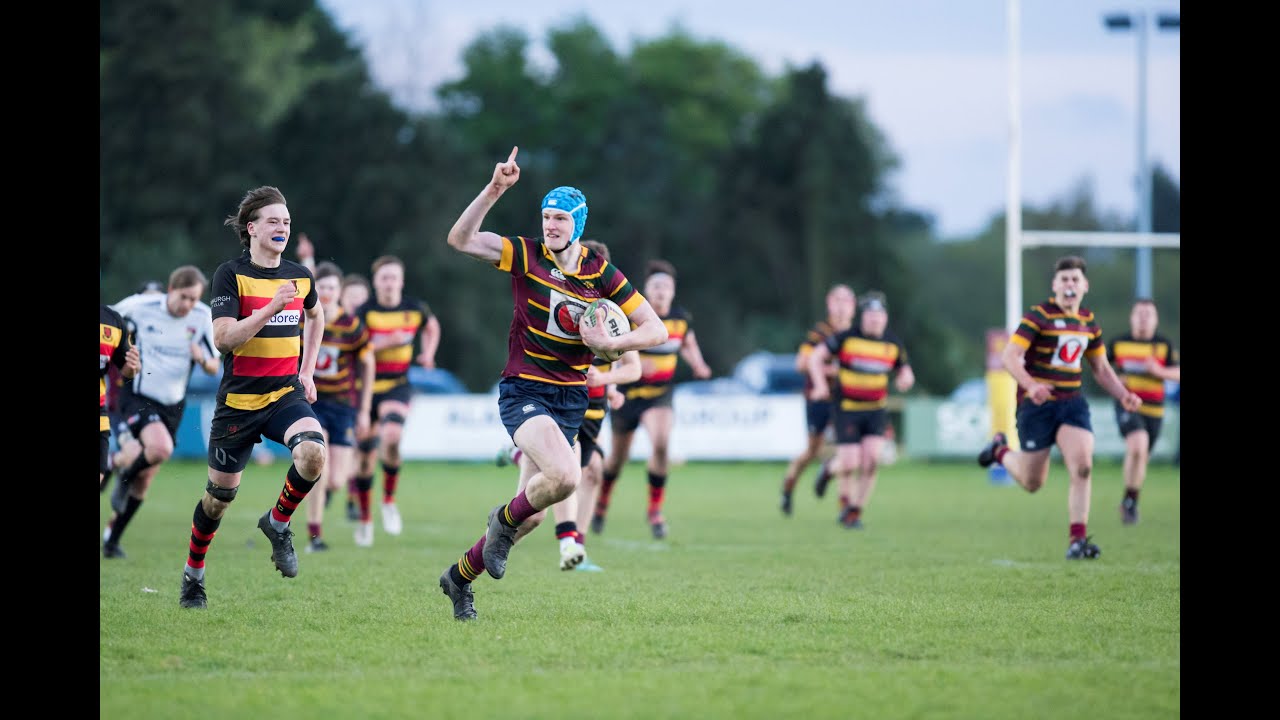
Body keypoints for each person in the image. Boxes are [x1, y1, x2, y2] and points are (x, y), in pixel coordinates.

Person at [437, 146, 668, 620]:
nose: (550, 225)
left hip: (570, 399)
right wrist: (495, 189)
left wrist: (612, 342)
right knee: (566, 477)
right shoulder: (526, 255)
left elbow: (656, 329)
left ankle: (458, 578)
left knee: (535, 515)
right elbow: (460, 240)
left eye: (560, 218)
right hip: (524, 389)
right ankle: (500, 522)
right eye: (546, 216)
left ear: (577, 224)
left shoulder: (600, 273)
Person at [177, 185, 327, 609]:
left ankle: (277, 523)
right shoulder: (230, 274)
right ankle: (193, 575)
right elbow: (224, 339)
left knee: (313, 454)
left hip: (284, 394)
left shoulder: (300, 275)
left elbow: (317, 316)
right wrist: (269, 308)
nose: (283, 228)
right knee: (218, 500)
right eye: (273, 221)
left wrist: (307, 370)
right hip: (238, 405)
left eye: (287, 222)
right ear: (252, 228)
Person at [977, 255, 1142, 560]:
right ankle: (999, 450)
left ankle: (1077, 541)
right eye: (1064, 279)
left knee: (1083, 465)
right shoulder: (1038, 316)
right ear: (1055, 285)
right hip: (1036, 406)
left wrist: (1123, 394)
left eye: (1075, 280)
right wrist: (1031, 386)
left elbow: (1101, 368)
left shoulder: (1089, 322)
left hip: (1071, 404)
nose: (1069, 285)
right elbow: (1010, 356)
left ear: (1085, 286)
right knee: (1032, 482)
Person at [500, 239, 643, 572]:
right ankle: (569, 544)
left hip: (592, 408)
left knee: (591, 473)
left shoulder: (617, 316)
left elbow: (633, 368)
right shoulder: (563, 306)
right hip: (558, 405)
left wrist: (607, 382)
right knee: (568, 474)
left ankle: (571, 539)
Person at [101, 265, 219, 559]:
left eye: (194, 299)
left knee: (145, 478)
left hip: (173, 405)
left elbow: (214, 366)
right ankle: (123, 478)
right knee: (160, 448)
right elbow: (109, 317)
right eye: (184, 297)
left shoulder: (202, 316)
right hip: (138, 395)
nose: (188, 304)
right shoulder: (141, 306)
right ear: (171, 289)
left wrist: (202, 360)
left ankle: (112, 540)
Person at [591, 259, 712, 540]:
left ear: (673, 291)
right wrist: (617, 380)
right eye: (656, 286)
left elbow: (687, 344)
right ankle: (601, 503)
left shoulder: (681, 319)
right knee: (617, 460)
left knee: (661, 444)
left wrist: (698, 364)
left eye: (666, 286)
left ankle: (655, 511)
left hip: (659, 395)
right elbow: (615, 351)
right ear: (646, 289)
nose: (661, 291)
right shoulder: (633, 317)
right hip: (628, 394)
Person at [806, 291, 914, 529]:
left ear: (885, 318)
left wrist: (906, 378)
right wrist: (821, 385)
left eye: (879, 315)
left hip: (876, 410)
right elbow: (815, 358)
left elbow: (905, 369)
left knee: (871, 460)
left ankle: (854, 511)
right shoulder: (846, 338)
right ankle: (829, 469)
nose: (875, 320)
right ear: (862, 317)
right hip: (847, 408)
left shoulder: (892, 343)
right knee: (850, 463)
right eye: (871, 315)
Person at [352, 255, 440, 538]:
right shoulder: (364, 312)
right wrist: (384, 343)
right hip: (365, 388)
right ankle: (365, 518)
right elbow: (353, 349)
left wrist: (428, 354)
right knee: (364, 458)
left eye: (394, 277)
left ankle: (389, 501)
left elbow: (432, 327)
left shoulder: (414, 309)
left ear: (401, 281)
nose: (389, 283)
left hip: (396, 385)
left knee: (392, 436)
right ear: (375, 282)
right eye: (384, 278)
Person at [300, 261, 375, 551]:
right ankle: (314, 535)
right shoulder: (301, 320)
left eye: (332, 287)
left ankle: (326, 493)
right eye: (322, 287)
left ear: (340, 291)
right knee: (318, 465)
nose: (327, 293)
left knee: (337, 480)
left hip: (343, 406)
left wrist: (364, 410)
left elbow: (368, 364)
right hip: (312, 403)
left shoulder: (352, 326)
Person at [779, 283, 856, 515]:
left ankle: (845, 507)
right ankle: (789, 485)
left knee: (847, 450)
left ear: (853, 306)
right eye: (837, 300)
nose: (841, 306)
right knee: (813, 450)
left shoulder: (858, 334)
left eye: (846, 301)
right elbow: (801, 364)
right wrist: (833, 371)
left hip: (849, 400)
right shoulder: (820, 333)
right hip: (819, 397)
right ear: (829, 304)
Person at [1106, 298, 1180, 525]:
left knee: (1141, 457)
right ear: (1132, 317)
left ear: (1156, 319)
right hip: (1128, 404)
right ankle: (1130, 503)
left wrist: (1159, 371)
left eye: (1149, 314)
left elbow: (1177, 373)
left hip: (1154, 409)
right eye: (1140, 313)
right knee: (1138, 444)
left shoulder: (1164, 345)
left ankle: (1130, 501)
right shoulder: (1118, 343)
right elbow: (1101, 369)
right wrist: (1117, 380)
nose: (1144, 319)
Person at [339, 273, 373, 525]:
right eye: (352, 296)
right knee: (348, 450)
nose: (357, 301)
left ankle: (353, 500)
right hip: (340, 396)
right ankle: (335, 490)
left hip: (366, 394)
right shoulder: (335, 322)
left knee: (363, 451)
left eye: (361, 296)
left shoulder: (367, 326)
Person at [101, 304, 140, 491]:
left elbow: (130, 369)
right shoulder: (113, 324)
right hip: (116, 408)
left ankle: (120, 474)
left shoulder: (114, 322)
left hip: (134, 409)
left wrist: (134, 366)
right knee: (133, 451)